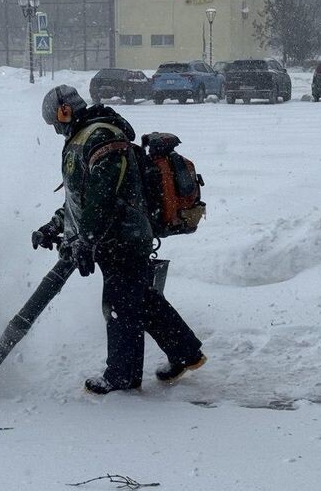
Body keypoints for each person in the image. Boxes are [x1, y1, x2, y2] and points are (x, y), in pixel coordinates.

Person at [34, 84, 206, 394]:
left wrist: (86, 239)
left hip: (125, 237)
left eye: (55, 122)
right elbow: (79, 198)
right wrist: (53, 226)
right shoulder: (82, 138)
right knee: (141, 300)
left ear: (65, 111)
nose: (55, 129)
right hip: (112, 237)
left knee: (120, 305)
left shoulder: (101, 136)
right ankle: (186, 353)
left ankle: (122, 375)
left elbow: (103, 195)